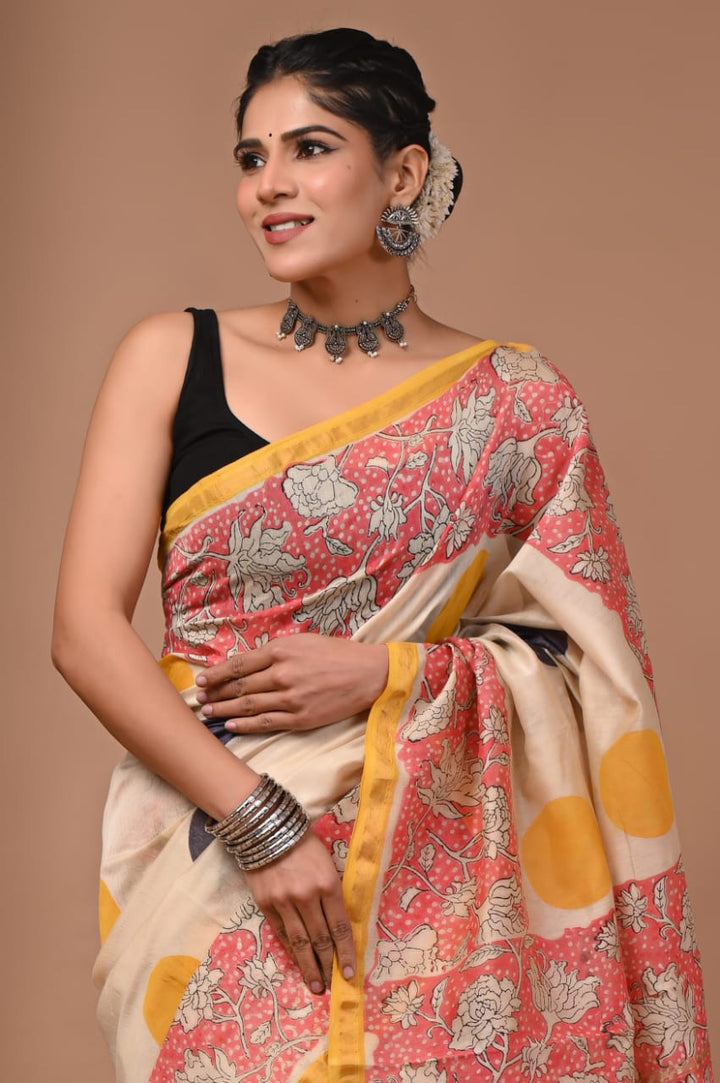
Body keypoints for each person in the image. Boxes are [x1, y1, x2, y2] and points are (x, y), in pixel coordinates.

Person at [52, 27, 712, 1083]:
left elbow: (594, 667)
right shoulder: (170, 356)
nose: (269, 186)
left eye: (310, 149)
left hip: (450, 896)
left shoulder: (517, 405)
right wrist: (260, 823)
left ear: (402, 174)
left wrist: (390, 671)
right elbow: (85, 633)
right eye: (252, 157)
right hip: (213, 859)